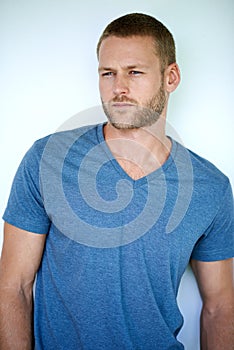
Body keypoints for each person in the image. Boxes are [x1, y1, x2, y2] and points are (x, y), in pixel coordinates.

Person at [0, 12, 233, 350]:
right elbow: (13, 286)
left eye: (134, 72)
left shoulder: (211, 188)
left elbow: (219, 307)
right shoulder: (47, 159)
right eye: (108, 73)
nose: (118, 87)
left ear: (171, 77)